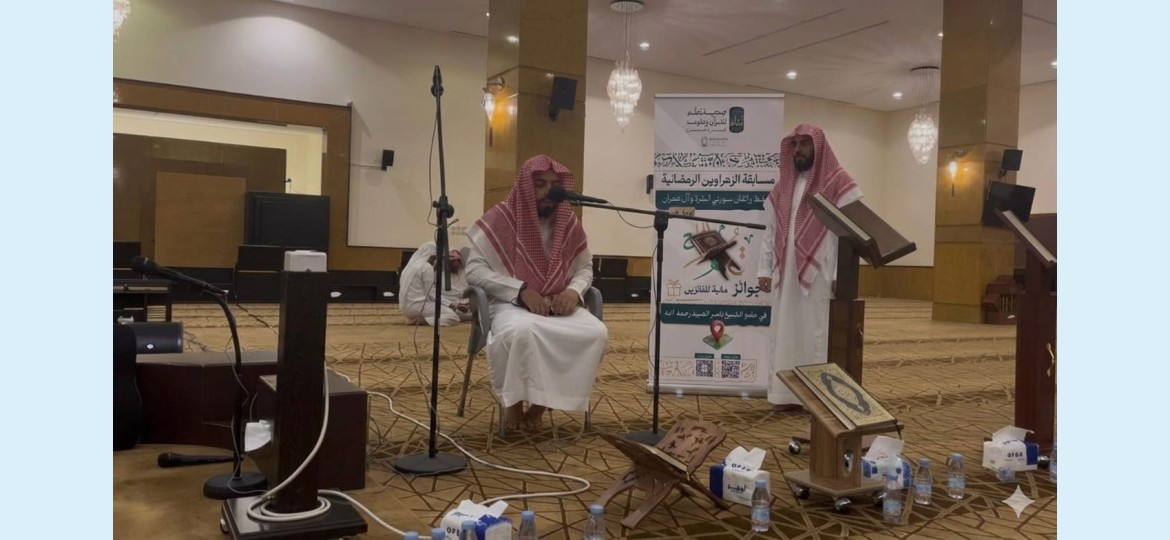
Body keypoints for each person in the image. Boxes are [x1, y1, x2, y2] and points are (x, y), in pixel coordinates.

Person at [464, 155, 608, 430]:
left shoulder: (568, 223)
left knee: (595, 333)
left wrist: (573, 291)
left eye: (554, 185)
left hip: (557, 303)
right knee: (523, 332)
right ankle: (513, 404)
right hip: (510, 303)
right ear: (525, 186)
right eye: (540, 184)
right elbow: (474, 271)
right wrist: (520, 290)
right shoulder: (501, 218)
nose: (548, 192)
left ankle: (540, 406)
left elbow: (585, 268)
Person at [757, 124, 863, 410]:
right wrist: (764, 269)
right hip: (785, 272)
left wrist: (840, 274)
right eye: (795, 144)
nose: (798, 149)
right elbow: (770, 231)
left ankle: (814, 398)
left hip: (821, 274)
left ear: (819, 147)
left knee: (814, 332)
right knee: (784, 332)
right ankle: (783, 394)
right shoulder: (783, 185)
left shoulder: (837, 183)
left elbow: (848, 234)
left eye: (805, 143)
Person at [399, 241, 470, 327]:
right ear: (432, 256)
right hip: (419, 306)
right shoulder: (426, 267)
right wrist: (453, 305)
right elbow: (432, 294)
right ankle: (420, 320)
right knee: (453, 317)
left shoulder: (409, 268)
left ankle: (419, 318)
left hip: (406, 308)